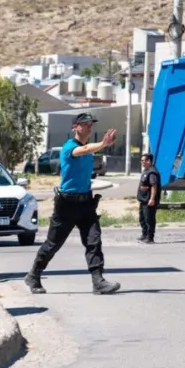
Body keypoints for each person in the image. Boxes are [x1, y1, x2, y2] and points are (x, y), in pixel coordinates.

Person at [24, 113, 121, 295]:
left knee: (94, 241)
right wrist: (102, 144)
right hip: (67, 204)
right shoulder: (69, 147)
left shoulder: (89, 150)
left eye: (91, 124)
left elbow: (86, 158)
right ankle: (34, 275)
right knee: (53, 244)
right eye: (85, 124)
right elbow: (81, 151)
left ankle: (98, 281)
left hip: (86, 203)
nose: (89, 127)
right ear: (75, 127)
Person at [137, 153, 160, 244]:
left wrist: (152, 199)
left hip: (149, 201)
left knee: (149, 219)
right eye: (142, 160)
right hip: (143, 200)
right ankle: (144, 234)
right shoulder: (146, 171)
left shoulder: (152, 172)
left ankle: (150, 237)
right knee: (142, 218)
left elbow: (154, 186)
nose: (143, 162)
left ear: (149, 161)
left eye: (145, 160)